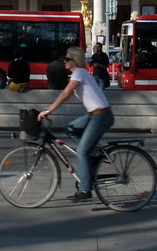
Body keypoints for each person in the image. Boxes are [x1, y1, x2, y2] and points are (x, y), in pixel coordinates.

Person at [38, 46, 114, 203]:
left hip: (101, 116)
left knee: (81, 151)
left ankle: (85, 189)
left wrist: (48, 110)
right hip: (95, 113)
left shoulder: (79, 72)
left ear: (74, 61)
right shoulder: (79, 74)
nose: (64, 62)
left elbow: (65, 94)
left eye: (66, 59)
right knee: (71, 129)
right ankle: (92, 156)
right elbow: (68, 92)